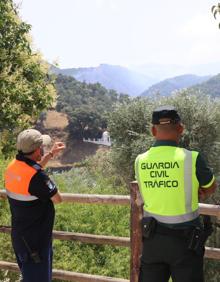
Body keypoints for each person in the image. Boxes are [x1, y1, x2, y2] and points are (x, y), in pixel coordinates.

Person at [135, 106, 217, 282]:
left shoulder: (140, 160)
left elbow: (149, 191)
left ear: (153, 130)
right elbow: (210, 186)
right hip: (186, 243)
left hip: (152, 241)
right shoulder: (192, 158)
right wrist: (196, 193)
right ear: (181, 128)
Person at [4, 128, 65, 282]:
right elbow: (57, 199)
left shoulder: (13, 167)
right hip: (36, 244)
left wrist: (50, 155)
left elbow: (31, 171)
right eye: (42, 147)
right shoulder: (37, 178)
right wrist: (46, 178)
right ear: (38, 149)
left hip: (21, 238)